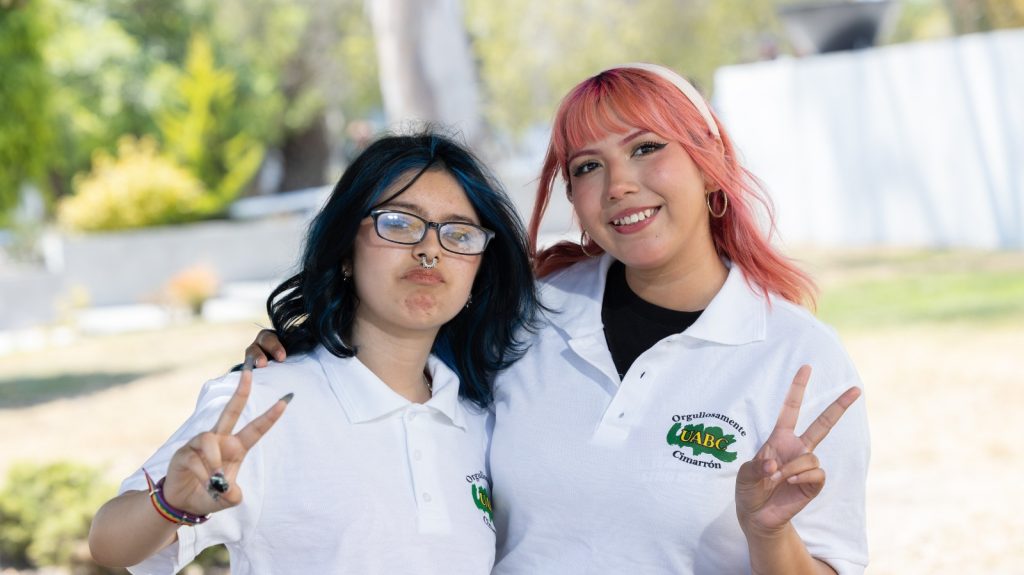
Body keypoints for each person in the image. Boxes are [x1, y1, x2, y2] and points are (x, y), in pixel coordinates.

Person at [244, 64, 870, 574]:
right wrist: (296, 348)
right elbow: (397, 352)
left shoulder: (796, 358)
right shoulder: (527, 315)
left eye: (646, 148)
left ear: (710, 167)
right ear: (573, 197)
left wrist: (769, 534)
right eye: (587, 166)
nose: (618, 184)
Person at [88, 131, 540, 574]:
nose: (429, 250)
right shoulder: (265, 404)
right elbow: (109, 543)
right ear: (345, 251)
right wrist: (171, 504)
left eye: (459, 235)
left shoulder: (482, 419)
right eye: (399, 223)